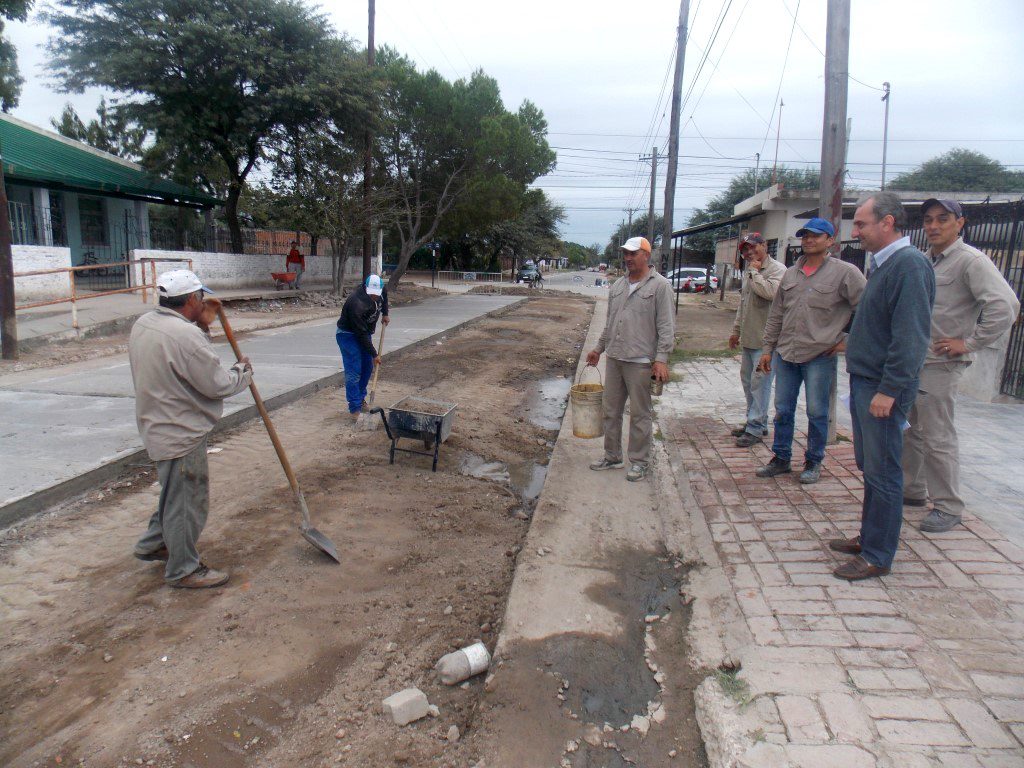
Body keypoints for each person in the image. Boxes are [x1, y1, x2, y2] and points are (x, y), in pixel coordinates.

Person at [831, 192, 935, 581]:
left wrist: (889, 390)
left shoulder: (909, 266)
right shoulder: (885, 264)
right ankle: (870, 536)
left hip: (882, 386)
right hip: (867, 381)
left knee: (885, 471)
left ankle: (878, 554)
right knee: (871, 467)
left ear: (887, 222)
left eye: (861, 223)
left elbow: (911, 338)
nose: (855, 231)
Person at [129, 269, 253, 589]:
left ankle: (154, 543)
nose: (203, 303)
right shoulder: (186, 336)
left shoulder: (145, 324)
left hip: (156, 424)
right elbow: (217, 383)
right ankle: (183, 568)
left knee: (174, 493)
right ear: (193, 300)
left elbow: (185, 361)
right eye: (201, 298)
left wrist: (201, 325)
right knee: (187, 501)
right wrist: (243, 372)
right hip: (180, 431)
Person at [903, 199, 1020, 533]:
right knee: (911, 430)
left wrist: (969, 343)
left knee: (938, 435)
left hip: (941, 363)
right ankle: (913, 491)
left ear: (960, 223)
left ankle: (948, 506)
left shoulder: (971, 261)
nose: (934, 225)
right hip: (915, 360)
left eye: (943, 219)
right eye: (928, 220)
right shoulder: (925, 260)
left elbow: (1005, 305)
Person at [757, 218, 866, 484]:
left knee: (817, 411)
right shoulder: (791, 274)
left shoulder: (845, 273)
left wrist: (846, 342)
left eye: (815, 236)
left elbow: (869, 310)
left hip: (819, 355)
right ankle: (781, 458)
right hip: (787, 353)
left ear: (830, 241)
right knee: (783, 409)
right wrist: (768, 348)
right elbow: (777, 314)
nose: (808, 240)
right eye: (805, 236)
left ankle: (813, 461)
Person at [586, 236, 675, 482]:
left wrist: (661, 359)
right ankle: (612, 456)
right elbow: (610, 323)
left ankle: (640, 462)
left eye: (633, 253)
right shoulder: (618, 286)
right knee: (611, 411)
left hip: (641, 361)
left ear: (646, 255)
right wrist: (598, 349)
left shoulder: (660, 286)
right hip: (615, 357)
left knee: (640, 414)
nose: (628, 258)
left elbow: (666, 326)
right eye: (625, 253)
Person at [728, 232, 787, 448]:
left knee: (760, 384)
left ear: (764, 245)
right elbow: (744, 304)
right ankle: (756, 422)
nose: (749, 252)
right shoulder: (750, 272)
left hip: (767, 344)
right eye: (745, 250)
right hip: (749, 338)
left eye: (753, 247)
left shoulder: (777, 270)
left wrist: (754, 272)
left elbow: (770, 293)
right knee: (748, 383)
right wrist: (736, 330)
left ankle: (754, 428)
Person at [336, 274, 390, 418]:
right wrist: (374, 354)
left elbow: (384, 295)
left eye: (376, 295)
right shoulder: (356, 303)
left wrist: (385, 313)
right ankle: (354, 408)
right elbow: (360, 334)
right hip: (348, 335)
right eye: (372, 295)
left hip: (364, 333)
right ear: (366, 288)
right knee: (354, 371)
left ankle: (360, 399)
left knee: (367, 367)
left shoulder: (380, 289)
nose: (375, 297)